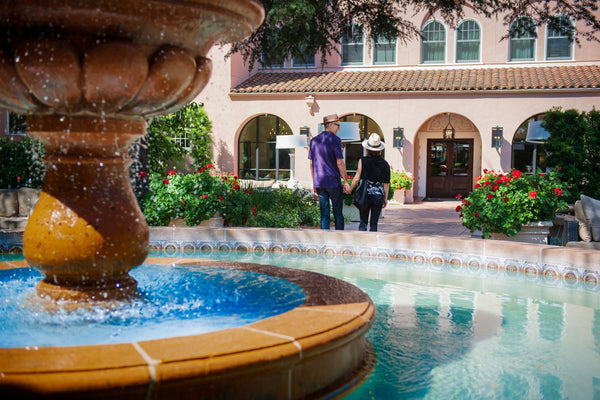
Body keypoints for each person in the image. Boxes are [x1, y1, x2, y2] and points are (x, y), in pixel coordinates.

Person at [308, 113, 351, 230]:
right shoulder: (335, 140)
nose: (339, 128)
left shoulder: (314, 141)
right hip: (333, 182)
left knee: (324, 215)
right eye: (337, 125)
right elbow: (340, 162)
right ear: (330, 125)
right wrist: (346, 181)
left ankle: (324, 241)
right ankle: (339, 240)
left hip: (320, 183)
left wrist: (314, 182)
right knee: (338, 214)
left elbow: (311, 164)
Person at [348, 133, 390, 232]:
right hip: (378, 195)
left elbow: (357, 178)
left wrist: (350, 189)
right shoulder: (385, 164)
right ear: (380, 149)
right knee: (374, 224)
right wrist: (385, 198)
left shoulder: (363, 161)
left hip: (365, 194)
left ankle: (362, 244)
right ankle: (373, 245)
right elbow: (386, 184)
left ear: (367, 149)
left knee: (363, 222)